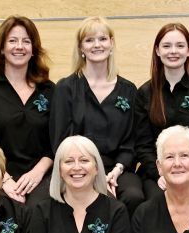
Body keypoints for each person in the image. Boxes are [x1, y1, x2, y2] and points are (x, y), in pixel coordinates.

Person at [50, 17, 143, 212]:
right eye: (89, 40)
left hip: (118, 168)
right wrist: (88, 171)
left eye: (102, 39)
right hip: (77, 169)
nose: (97, 45)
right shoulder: (65, 88)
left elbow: (132, 142)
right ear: (81, 48)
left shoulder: (128, 90)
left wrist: (116, 172)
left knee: (134, 196)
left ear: (111, 44)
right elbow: (60, 141)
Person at [0, 16, 55, 205]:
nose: (19, 46)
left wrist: (37, 173)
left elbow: (56, 142)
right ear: (1, 47)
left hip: (41, 175)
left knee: (41, 209)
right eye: (12, 41)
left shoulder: (49, 89)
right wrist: (4, 180)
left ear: (33, 50)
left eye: (26, 41)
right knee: (6, 207)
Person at [134, 23, 189, 201]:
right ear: (157, 50)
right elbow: (143, 145)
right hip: (156, 173)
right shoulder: (144, 93)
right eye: (166, 46)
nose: (173, 51)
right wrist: (160, 174)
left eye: (180, 46)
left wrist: (188, 173)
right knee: (156, 202)